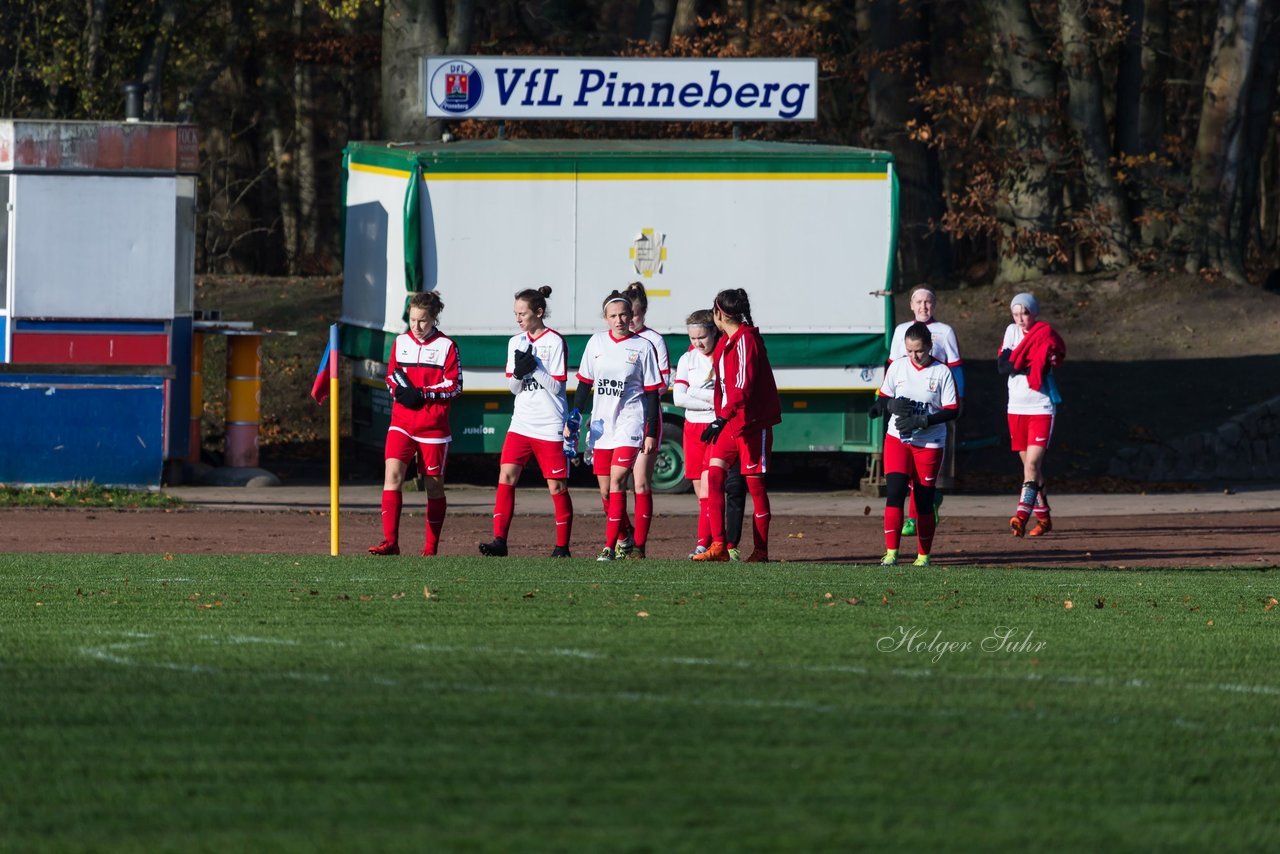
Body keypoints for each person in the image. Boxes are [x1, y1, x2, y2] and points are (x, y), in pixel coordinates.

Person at [478, 286, 573, 558]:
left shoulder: (555, 341)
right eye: (515, 314)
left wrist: (535, 368)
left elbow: (556, 387)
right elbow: (513, 387)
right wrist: (520, 373)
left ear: (539, 312)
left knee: (556, 485)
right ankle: (499, 541)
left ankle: (562, 547)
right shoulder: (515, 342)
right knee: (506, 477)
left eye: (523, 313)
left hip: (549, 424)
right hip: (521, 423)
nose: (518, 319)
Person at [570, 290, 663, 561]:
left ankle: (609, 547)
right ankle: (625, 536)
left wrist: (651, 431)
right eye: (613, 315)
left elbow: (650, 393)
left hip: (630, 422)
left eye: (624, 314)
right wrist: (575, 414)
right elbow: (585, 383)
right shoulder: (596, 343)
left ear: (631, 315)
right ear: (605, 318)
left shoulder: (643, 346)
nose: (620, 319)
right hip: (601, 425)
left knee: (618, 480)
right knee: (605, 491)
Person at [368, 291, 462, 556]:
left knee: (433, 484)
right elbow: (391, 377)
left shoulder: (447, 346)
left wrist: (424, 393)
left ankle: (430, 548)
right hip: (402, 422)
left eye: (423, 321)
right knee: (392, 476)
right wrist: (399, 391)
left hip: (433, 427)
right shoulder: (400, 342)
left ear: (434, 318)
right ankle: (390, 543)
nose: (417, 327)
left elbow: (455, 386)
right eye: (412, 320)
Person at [692, 288, 781, 563]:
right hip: (730, 423)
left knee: (755, 487)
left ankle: (761, 551)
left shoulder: (746, 340)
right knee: (714, 477)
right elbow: (725, 387)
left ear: (719, 313)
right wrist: (722, 417)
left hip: (751, 424)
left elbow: (743, 388)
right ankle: (719, 545)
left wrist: (720, 418)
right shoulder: (724, 343)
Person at [870, 321, 960, 566]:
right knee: (895, 493)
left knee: (923, 500)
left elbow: (953, 410)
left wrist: (924, 420)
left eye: (919, 350)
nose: (914, 355)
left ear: (929, 347)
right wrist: (886, 406)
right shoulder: (898, 367)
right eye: (909, 350)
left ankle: (923, 556)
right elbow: (883, 397)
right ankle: (891, 553)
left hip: (929, 443)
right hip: (897, 440)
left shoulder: (942, 372)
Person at [887, 286, 964, 537]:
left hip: (935, 405)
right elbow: (893, 368)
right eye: (918, 302)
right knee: (903, 466)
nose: (923, 306)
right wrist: (885, 401)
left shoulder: (945, 332)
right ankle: (913, 516)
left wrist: (956, 400)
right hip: (905, 409)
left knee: (924, 472)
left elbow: (955, 369)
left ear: (935, 304)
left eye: (928, 302)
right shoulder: (901, 331)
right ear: (911, 304)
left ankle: (918, 513)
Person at [672, 309, 749, 560]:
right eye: (693, 338)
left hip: (717, 427)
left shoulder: (723, 354)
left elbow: (724, 398)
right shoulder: (687, 359)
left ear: (714, 332)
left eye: (702, 337)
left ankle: (707, 544)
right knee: (699, 492)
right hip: (692, 428)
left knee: (710, 487)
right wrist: (709, 400)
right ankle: (707, 542)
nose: (698, 343)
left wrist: (701, 397)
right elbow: (679, 398)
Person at [609, 281, 671, 559]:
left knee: (641, 482)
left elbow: (662, 382)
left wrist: (636, 388)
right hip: (612, 419)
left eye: (633, 315)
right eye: (623, 315)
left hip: (644, 417)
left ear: (642, 313)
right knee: (611, 483)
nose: (628, 320)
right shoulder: (608, 340)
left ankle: (639, 546)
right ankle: (624, 535)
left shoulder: (653, 341)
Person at [998, 292, 1065, 537]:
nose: (1020, 319)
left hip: (1040, 407)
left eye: (1024, 313)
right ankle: (1045, 518)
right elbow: (1003, 366)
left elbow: (1048, 363)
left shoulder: (1044, 333)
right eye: (1016, 314)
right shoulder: (1011, 332)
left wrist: (1018, 363)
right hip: (1016, 407)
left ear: (1034, 312)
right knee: (1030, 468)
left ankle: (1021, 515)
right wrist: (1024, 363)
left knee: (1033, 465)